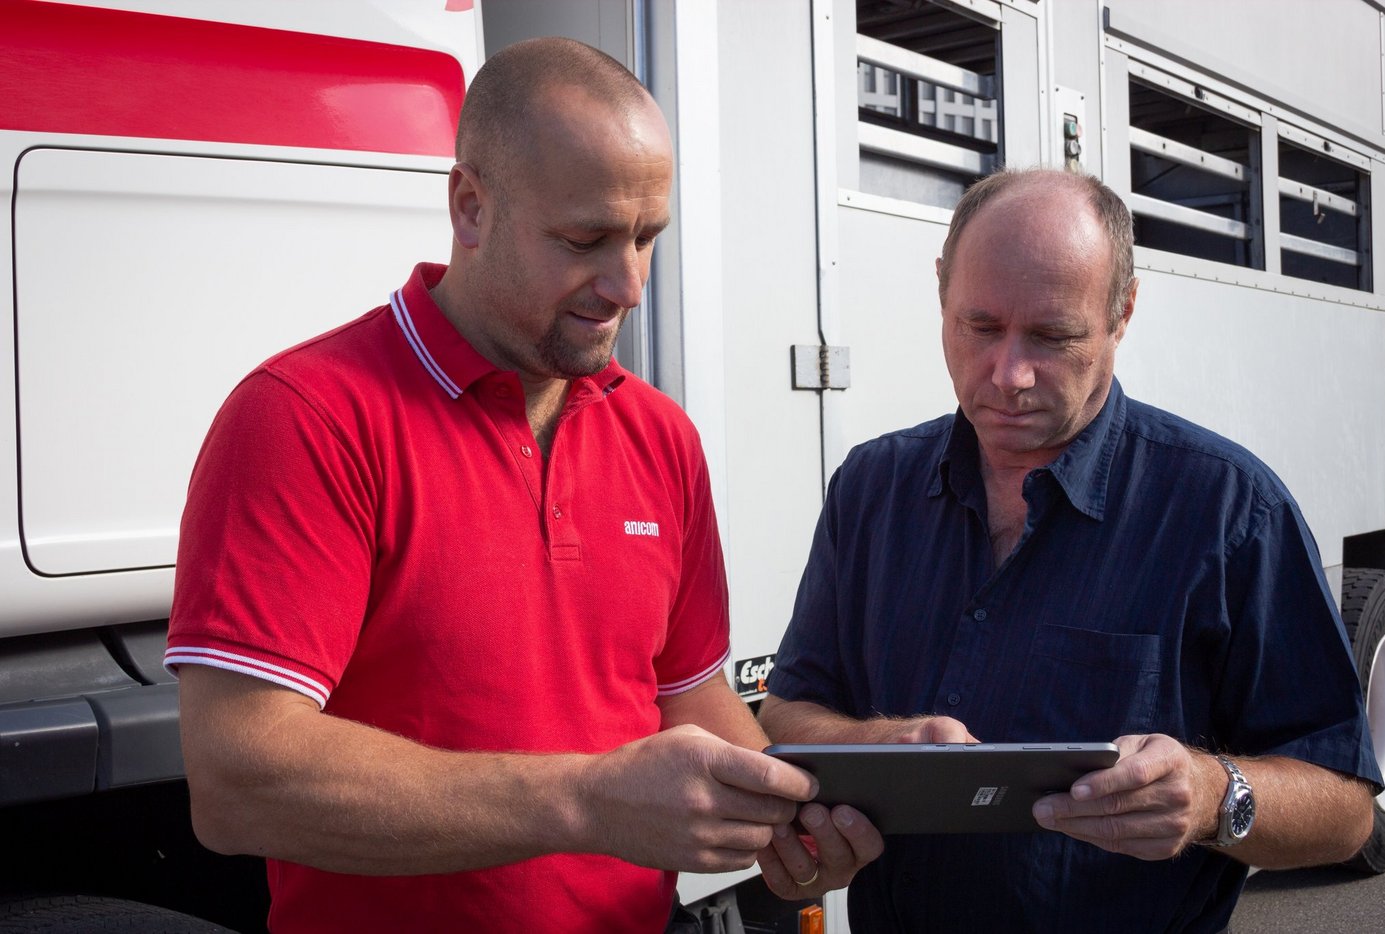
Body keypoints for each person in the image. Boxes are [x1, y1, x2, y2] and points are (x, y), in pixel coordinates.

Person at [166, 38, 877, 933]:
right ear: (470, 206)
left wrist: (803, 816)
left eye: (647, 237)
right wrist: (583, 800)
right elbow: (238, 784)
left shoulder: (660, 437)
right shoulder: (306, 418)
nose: (628, 284)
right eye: (585, 240)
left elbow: (689, 702)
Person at [758, 166, 1383, 932]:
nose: (1008, 375)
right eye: (979, 327)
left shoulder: (1228, 511)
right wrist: (882, 744)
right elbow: (789, 710)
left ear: (1122, 312)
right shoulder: (871, 488)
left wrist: (1213, 796)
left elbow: (1347, 811)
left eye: (1053, 337)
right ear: (940, 290)